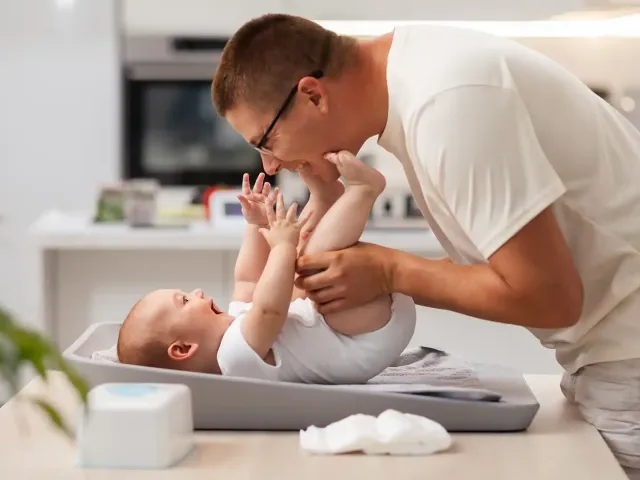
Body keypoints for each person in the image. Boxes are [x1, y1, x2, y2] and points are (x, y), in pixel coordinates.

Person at [211, 13, 640, 477]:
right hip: (610, 354)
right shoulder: (424, 72)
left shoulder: (447, 105)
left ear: (313, 95)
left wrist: (390, 271)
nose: (270, 165)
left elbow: (551, 297)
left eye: (267, 140)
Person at [117, 156, 416, 384]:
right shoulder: (233, 361)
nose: (196, 292)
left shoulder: (237, 326)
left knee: (298, 268)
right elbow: (269, 310)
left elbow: (248, 279)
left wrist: (257, 224)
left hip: (357, 322)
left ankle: (325, 196)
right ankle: (363, 191)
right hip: (368, 339)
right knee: (309, 268)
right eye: (184, 301)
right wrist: (283, 247)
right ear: (183, 348)